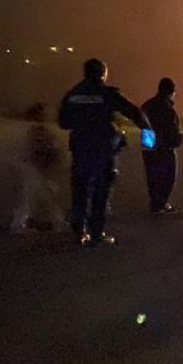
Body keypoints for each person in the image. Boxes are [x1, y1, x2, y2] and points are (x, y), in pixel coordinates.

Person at [58, 58, 151, 247]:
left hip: (81, 148)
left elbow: (63, 122)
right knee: (102, 190)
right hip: (104, 149)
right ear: (103, 74)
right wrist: (147, 130)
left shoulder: (73, 94)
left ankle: (79, 232)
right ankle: (97, 233)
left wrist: (82, 121)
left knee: (80, 189)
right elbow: (134, 112)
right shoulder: (108, 93)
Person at [11, 102, 65, 233]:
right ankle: (20, 225)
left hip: (34, 167)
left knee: (41, 197)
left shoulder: (31, 129)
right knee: (37, 197)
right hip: (34, 167)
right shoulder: (37, 129)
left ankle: (57, 222)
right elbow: (43, 149)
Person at [141, 77, 183, 215]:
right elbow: (172, 129)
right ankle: (161, 203)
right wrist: (178, 140)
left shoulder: (147, 105)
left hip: (149, 145)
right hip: (165, 147)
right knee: (168, 175)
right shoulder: (168, 108)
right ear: (171, 92)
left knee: (152, 175)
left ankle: (155, 202)